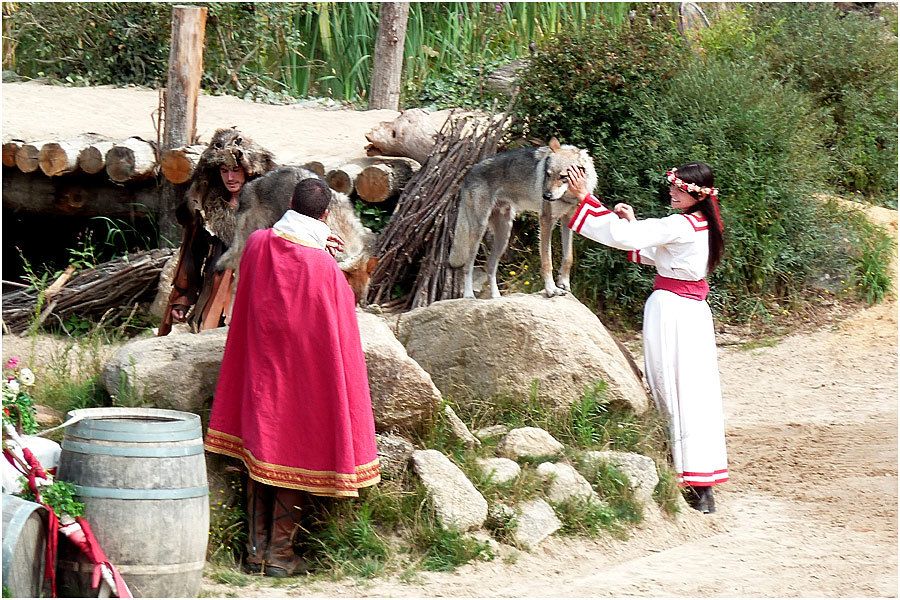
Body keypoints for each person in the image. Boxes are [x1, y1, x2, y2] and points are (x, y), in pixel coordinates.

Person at [204, 177, 381, 576]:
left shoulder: (258, 244)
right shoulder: (326, 270)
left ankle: (254, 551)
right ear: (325, 215)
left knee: (260, 446)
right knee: (293, 453)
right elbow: (336, 326)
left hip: (261, 368)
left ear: (289, 203)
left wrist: (320, 248)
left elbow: (279, 251)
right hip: (302, 376)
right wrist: (327, 257)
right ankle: (280, 555)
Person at [565, 162, 728, 514]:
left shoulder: (681, 224)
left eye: (677, 188)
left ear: (693, 194)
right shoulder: (702, 225)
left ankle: (690, 481)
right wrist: (631, 222)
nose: (671, 192)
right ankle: (700, 484)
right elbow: (655, 247)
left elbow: (627, 240)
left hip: (672, 312)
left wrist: (585, 198)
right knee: (694, 390)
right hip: (692, 312)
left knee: (670, 384)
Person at [158, 127, 276, 336]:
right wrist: (182, 299)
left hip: (257, 293)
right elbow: (192, 254)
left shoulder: (269, 206)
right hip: (214, 294)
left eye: (236, 170)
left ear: (249, 170)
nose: (230, 177)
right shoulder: (208, 206)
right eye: (224, 170)